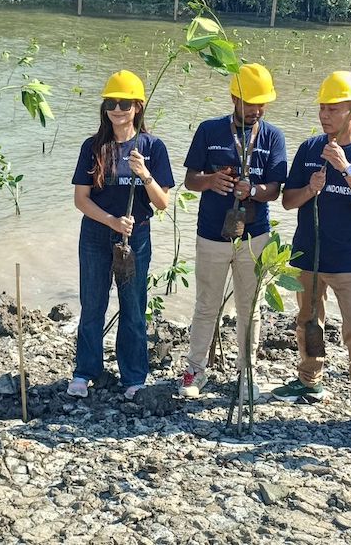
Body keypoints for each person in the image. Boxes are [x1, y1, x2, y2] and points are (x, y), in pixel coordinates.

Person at [275, 71, 351, 448]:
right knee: (307, 320)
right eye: (322, 108)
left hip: (349, 259)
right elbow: (288, 201)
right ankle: (310, 380)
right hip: (309, 253)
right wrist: (310, 189)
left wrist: (347, 169)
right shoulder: (309, 149)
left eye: (334, 109)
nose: (325, 115)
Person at [179, 64, 287, 401]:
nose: (256, 109)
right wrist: (211, 181)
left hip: (254, 236)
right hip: (212, 234)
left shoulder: (273, 136)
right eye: (250, 102)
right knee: (206, 305)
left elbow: (275, 189)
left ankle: (246, 371)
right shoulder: (209, 131)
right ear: (233, 97)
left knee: (249, 307)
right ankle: (195, 369)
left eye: (261, 103)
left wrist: (251, 191)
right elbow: (189, 180)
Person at [68, 70, 175, 399]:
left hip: (136, 239)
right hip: (96, 236)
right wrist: (112, 221)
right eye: (111, 103)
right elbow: (81, 200)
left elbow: (162, 203)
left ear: (137, 107)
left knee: (132, 307)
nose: (117, 109)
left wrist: (144, 174)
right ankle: (86, 371)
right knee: (92, 305)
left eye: (124, 104)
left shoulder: (152, 147)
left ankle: (134, 376)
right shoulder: (93, 146)